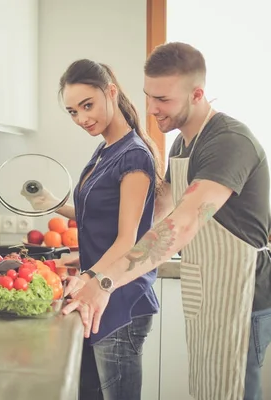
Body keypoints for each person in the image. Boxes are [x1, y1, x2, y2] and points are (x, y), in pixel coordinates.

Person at [63, 42, 271, 400]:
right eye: (148, 96)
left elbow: (183, 224)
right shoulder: (182, 145)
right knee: (207, 390)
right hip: (206, 290)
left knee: (231, 392)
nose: (152, 109)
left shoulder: (228, 142)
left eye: (163, 99)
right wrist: (95, 260)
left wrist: (105, 281)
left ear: (197, 93)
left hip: (244, 294)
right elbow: (154, 214)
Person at [28, 59, 164, 400]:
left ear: (111, 93)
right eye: (73, 111)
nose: (82, 119)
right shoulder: (105, 150)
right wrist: (52, 202)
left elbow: (126, 240)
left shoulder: (133, 156)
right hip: (97, 294)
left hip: (120, 299)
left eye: (87, 106)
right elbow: (97, 215)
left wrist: (88, 277)